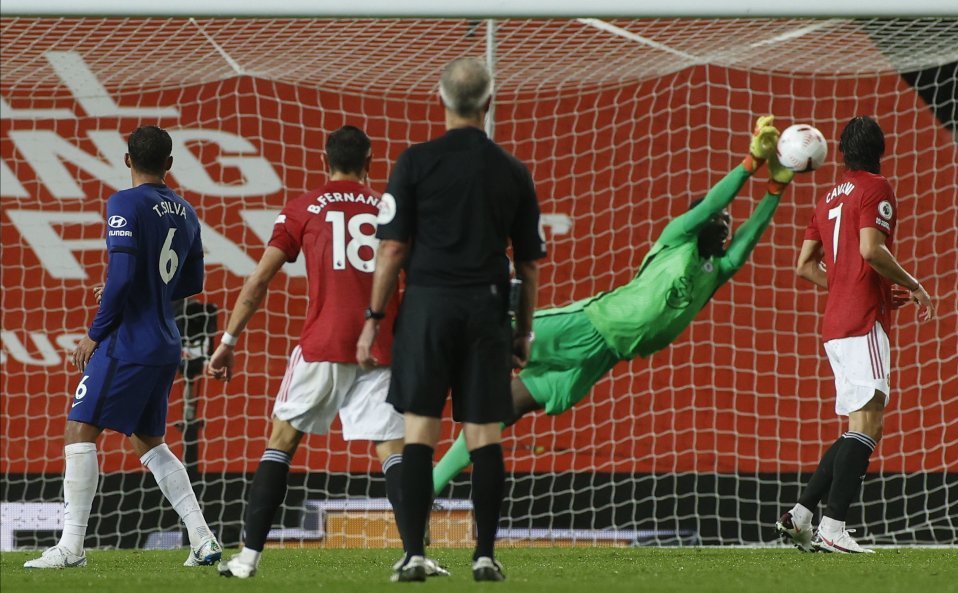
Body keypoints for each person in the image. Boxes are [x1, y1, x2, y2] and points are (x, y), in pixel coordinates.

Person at [431, 115, 794, 496]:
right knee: (497, 335)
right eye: (719, 218)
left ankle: (427, 489)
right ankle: (431, 347)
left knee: (501, 409)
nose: (725, 224)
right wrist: (750, 164)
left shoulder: (714, 270)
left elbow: (744, 244)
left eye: (727, 221)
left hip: (602, 357)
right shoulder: (677, 239)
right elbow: (711, 206)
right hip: (590, 324)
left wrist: (775, 189)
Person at [206, 126, 445, 579]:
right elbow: (421, 279)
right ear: (369, 162)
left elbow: (258, 282)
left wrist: (228, 342)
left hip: (323, 344)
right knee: (393, 450)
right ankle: (414, 555)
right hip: (381, 347)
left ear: (324, 161)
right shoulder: (392, 208)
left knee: (282, 441)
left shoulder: (302, 209)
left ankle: (247, 558)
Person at [356, 57, 545, 583]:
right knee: (484, 434)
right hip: (486, 310)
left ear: (440, 99)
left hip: (428, 307)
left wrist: (373, 318)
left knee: (419, 430)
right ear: (488, 103)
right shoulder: (512, 171)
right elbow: (528, 264)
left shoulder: (414, 162)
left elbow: (392, 248)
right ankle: (484, 555)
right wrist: (524, 331)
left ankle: (414, 554)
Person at [25, 126, 221, 569]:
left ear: (127, 159)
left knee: (79, 430)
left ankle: (71, 548)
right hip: (166, 341)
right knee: (149, 442)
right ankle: (203, 539)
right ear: (169, 164)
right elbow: (191, 281)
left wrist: (95, 333)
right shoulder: (187, 211)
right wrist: (142, 287)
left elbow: (125, 274)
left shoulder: (124, 203)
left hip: (129, 340)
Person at [776, 116, 935, 554]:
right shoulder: (875, 188)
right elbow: (870, 248)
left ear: (842, 152)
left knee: (857, 426)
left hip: (835, 324)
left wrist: (854, 285)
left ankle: (800, 515)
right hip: (863, 321)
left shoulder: (827, 197)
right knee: (869, 423)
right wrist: (915, 285)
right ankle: (833, 527)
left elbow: (804, 266)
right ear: (880, 150)